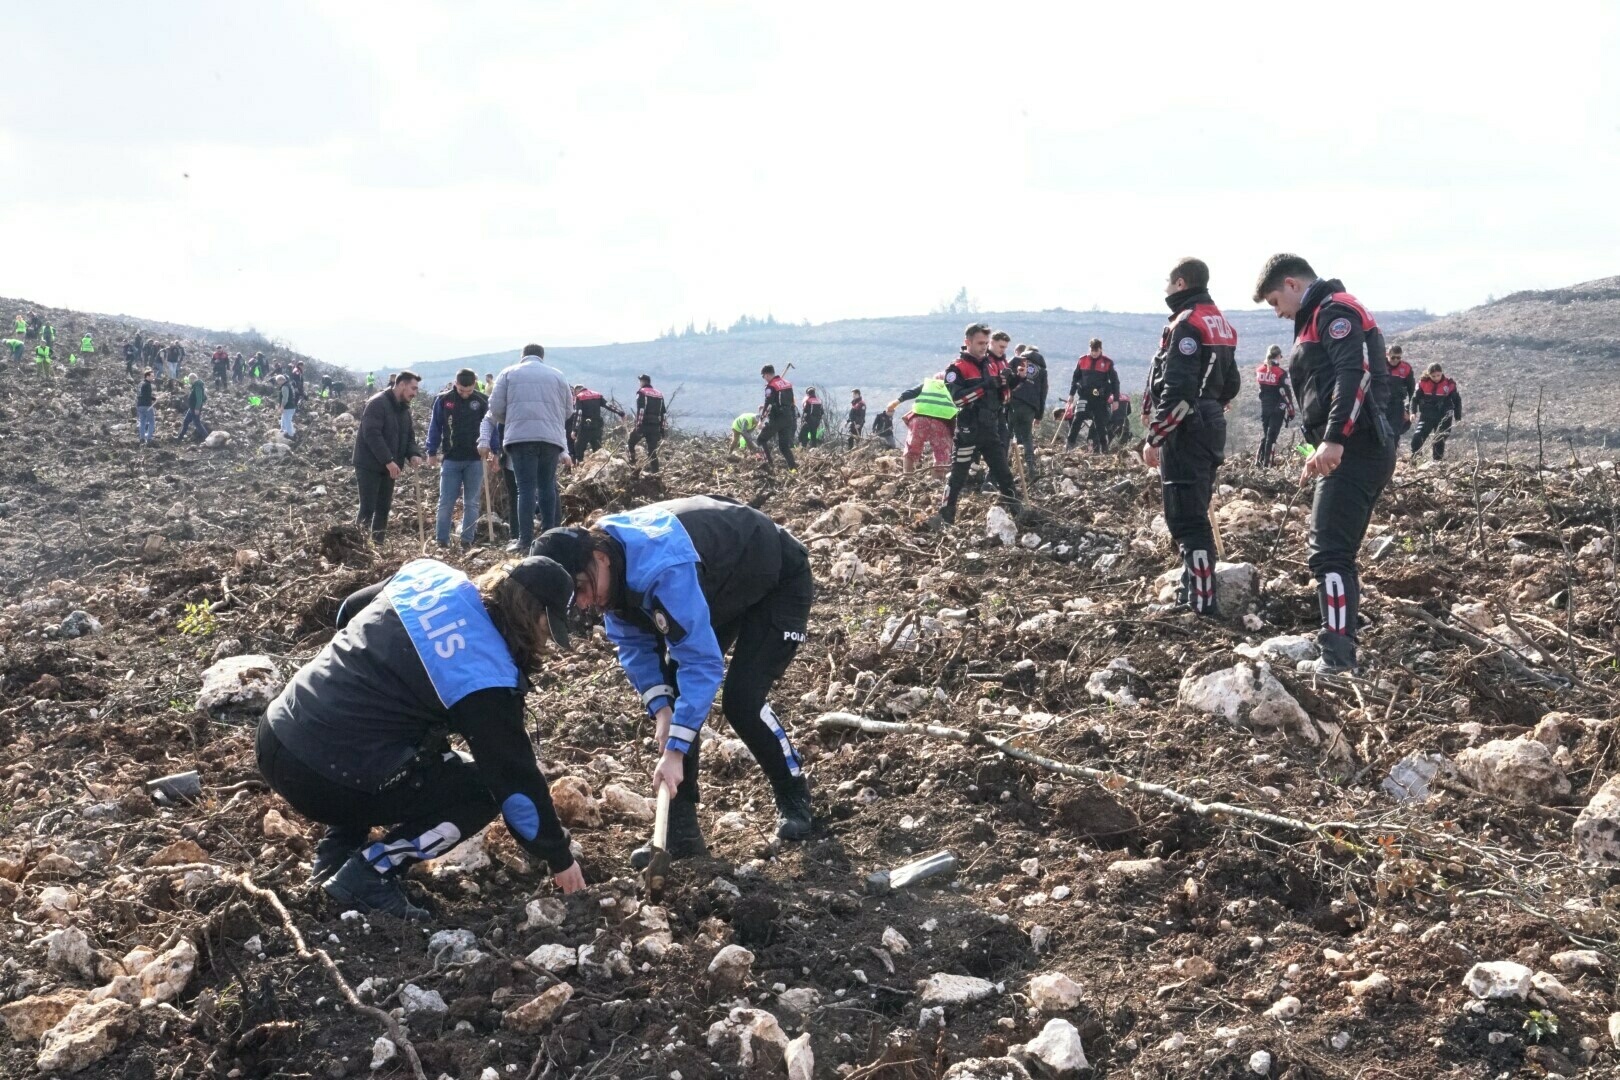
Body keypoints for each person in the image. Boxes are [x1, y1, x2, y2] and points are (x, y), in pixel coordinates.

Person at [257, 555, 586, 919]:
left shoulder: (429, 575)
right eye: (548, 628)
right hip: (324, 779)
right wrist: (559, 858)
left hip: (277, 730)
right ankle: (370, 873)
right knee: (480, 790)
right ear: (532, 615)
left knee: (379, 735)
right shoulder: (486, 672)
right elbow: (513, 781)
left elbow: (351, 608)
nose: (547, 642)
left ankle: (336, 855)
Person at [531, 495, 815, 867]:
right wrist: (662, 710)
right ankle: (681, 833)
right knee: (678, 698)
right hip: (717, 584)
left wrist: (675, 751)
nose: (585, 604)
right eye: (574, 600)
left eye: (583, 589)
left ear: (599, 558)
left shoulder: (660, 569)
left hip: (777, 579)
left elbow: (701, 663)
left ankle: (793, 793)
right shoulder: (609, 571)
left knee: (742, 699)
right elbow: (633, 644)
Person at [1254, 253, 1397, 674]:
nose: (1278, 313)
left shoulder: (1334, 311)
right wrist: (1315, 449)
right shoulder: (1320, 313)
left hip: (1358, 447)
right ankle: (1341, 649)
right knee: (1338, 552)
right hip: (1355, 447)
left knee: (1329, 554)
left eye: (1276, 301)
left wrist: (1334, 440)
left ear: (1293, 285)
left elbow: (1355, 375)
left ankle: (1336, 660)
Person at [1141, 257, 1240, 616]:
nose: (1165, 289)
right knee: (1194, 509)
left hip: (1188, 427)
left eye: (1168, 283)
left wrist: (1155, 436)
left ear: (1181, 283)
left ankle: (1201, 602)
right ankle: (1190, 590)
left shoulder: (1186, 323)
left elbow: (1179, 390)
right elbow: (1232, 383)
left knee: (1186, 518)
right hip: (1210, 421)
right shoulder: (1222, 323)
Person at [929, 324, 1022, 527]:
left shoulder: (991, 364)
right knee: (958, 476)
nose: (984, 347)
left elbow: (1001, 394)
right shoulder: (956, 369)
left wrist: (1010, 381)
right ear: (967, 342)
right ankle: (946, 517)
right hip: (968, 429)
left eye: (986, 343)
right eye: (980, 343)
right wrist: (985, 386)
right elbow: (958, 400)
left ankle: (1020, 514)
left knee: (1004, 474)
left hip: (991, 429)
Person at [488, 344, 572, 549]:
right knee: (547, 486)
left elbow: (495, 408)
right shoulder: (558, 375)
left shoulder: (508, 373)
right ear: (542, 357)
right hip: (551, 440)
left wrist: (513, 420)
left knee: (524, 489)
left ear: (522, 356)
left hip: (521, 438)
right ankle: (548, 538)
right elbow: (568, 410)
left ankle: (524, 541)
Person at [354, 371, 426, 543]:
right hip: (369, 465)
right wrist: (388, 460)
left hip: (391, 467)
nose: (415, 393)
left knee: (383, 508)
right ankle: (358, 547)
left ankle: (378, 545)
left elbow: (409, 437)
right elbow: (371, 434)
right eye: (413, 388)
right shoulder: (377, 403)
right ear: (401, 384)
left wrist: (413, 454)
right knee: (368, 508)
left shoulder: (403, 409)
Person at [427, 369, 490, 548]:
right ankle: (442, 540)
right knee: (446, 501)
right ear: (456, 383)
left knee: (471, 501)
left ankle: (466, 540)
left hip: (475, 459)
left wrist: (495, 451)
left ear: (475, 385)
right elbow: (435, 427)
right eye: (461, 390)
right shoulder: (443, 400)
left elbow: (490, 426)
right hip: (451, 458)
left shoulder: (482, 400)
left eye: (469, 391)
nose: (465, 394)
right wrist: (431, 451)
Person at [888, 373, 957, 478]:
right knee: (941, 451)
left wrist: (896, 401)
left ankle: (907, 475)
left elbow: (911, 392)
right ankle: (937, 481)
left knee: (912, 445)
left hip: (920, 419)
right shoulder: (954, 386)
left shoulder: (928, 384)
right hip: (941, 421)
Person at [1068, 339, 1120, 453]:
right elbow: (1075, 378)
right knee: (1077, 418)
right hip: (1084, 396)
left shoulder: (1107, 362)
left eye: (1096, 350)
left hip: (1099, 398)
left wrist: (1116, 399)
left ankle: (1104, 448)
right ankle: (1069, 445)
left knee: (1100, 423)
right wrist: (1071, 394)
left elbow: (1115, 382)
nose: (1094, 353)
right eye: (1092, 350)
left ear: (1100, 349)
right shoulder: (1082, 360)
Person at [1254, 344, 1297, 467]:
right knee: (1272, 437)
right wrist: (1291, 410)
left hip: (1264, 407)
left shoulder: (1259, 370)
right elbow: (1286, 394)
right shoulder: (1281, 373)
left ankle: (1259, 461)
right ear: (1278, 356)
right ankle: (1268, 464)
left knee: (1265, 434)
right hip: (1278, 408)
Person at [1008, 345, 1047, 476]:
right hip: (1030, 407)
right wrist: (1039, 415)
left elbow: (1006, 379)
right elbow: (1043, 393)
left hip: (1013, 402)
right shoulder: (1042, 371)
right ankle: (1030, 467)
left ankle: (1005, 464)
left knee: (1007, 434)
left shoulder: (1018, 362)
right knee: (1027, 437)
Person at [1410, 363, 1461, 460]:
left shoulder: (1449, 384)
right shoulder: (1423, 384)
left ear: (1442, 373)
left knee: (1439, 441)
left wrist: (1458, 418)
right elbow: (1415, 399)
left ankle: (1436, 462)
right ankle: (1415, 460)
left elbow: (1457, 401)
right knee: (1417, 437)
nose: (1436, 378)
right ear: (1429, 375)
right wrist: (1413, 412)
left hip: (1444, 416)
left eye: (1438, 375)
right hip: (1427, 416)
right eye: (1433, 376)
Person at [756, 365, 798, 470]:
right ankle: (793, 469)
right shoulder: (787, 384)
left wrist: (761, 420)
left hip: (777, 418)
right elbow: (789, 402)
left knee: (761, 440)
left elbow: (768, 405)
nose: (764, 379)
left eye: (763, 376)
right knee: (784, 447)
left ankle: (769, 466)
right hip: (788, 417)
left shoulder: (770, 387)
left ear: (767, 374)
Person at [627, 374, 667, 472]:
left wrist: (638, 425)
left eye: (640, 382)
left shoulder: (642, 392)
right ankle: (655, 473)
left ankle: (632, 463)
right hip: (655, 426)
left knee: (630, 443)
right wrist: (662, 429)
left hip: (644, 424)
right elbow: (663, 414)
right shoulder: (659, 394)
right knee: (652, 451)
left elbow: (641, 410)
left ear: (643, 382)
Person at [571, 384, 620, 458]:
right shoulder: (597, 395)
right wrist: (621, 413)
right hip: (597, 426)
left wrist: (574, 429)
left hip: (585, 427)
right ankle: (600, 464)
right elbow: (608, 405)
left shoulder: (579, 397)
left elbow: (579, 413)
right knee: (597, 449)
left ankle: (579, 466)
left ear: (576, 391)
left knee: (579, 448)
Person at [1385, 345, 1415, 435]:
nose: (1395, 360)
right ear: (1387, 355)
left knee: (1394, 433)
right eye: (1393, 357)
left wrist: (1408, 410)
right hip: (1380, 403)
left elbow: (1412, 391)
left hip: (1396, 404)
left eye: (1398, 358)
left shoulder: (1406, 368)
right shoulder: (1378, 365)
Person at [179, 374, 210, 443]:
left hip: (195, 408)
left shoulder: (197, 386)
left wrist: (197, 408)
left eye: (190, 380)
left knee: (197, 423)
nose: (189, 382)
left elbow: (199, 399)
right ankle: (180, 437)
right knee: (186, 421)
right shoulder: (196, 386)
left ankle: (207, 438)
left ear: (192, 379)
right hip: (192, 408)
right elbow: (204, 397)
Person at [135, 369, 157, 445]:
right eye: (152, 376)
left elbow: (139, 394)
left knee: (142, 422)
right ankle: (149, 439)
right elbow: (147, 396)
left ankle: (142, 438)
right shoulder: (147, 385)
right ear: (147, 376)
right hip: (147, 406)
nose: (153, 377)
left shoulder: (140, 384)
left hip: (139, 405)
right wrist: (154, 398)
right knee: (151, 422)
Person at [276, 374, 298, 438]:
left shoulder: (285, 387)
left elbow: (285, 398)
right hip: (291, 406)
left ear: (281, 380)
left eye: (278, 381)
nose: (278, 383)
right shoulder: (289, 385)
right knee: (284, 419)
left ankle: (290, 435)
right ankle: (283, 430)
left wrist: (282, 406)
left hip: (288, 407)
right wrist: (280, 405)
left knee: (287, 421)